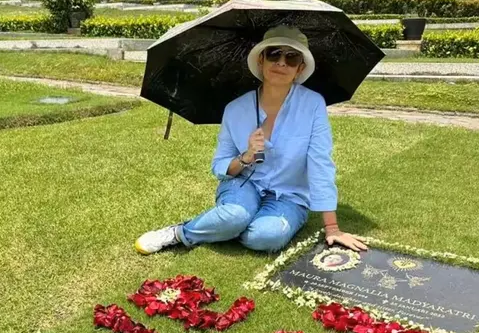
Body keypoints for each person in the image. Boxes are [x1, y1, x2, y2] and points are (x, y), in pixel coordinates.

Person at [135, 25, 367, 255]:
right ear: (261, 60)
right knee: (236, 216)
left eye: (292, 57)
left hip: (289, 195)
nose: (282, 63)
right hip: (243, 184)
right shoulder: (235, 109)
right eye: (274, 54)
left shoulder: (313, 104)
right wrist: (245, 157)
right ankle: (180, 232)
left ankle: (229, 226)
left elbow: (320, 163)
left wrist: (332, 228)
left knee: (265, 237)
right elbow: (219, 166)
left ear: (300, 68)